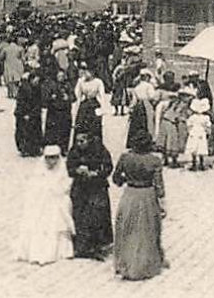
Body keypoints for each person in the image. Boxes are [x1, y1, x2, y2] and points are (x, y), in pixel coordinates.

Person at [112, 120, 167, 281]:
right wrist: (162, 203)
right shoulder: (154, 160)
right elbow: (159, 186)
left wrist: (125, 179)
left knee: (127, 229)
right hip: (147, 195)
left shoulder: (125, 158)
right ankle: (146, 264)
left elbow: (116, 179)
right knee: (148, 230)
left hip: (130, 194)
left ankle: (126, 263)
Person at [15, 144, 75, 265]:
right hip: (41, 204)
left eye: (54, 158)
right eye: (48, 158)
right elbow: (33, 187)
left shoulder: (62, 170)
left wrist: (57, 191)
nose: (51, 161)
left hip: (57, 202)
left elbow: (66, 186)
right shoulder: (39, 171)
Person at [67, 130, 114, 260]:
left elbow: (108, 167)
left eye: (82, 141)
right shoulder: (74, 151)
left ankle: (98, 245)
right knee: (80, 216)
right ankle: (82, 246)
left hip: (97, 188)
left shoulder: (100, 150)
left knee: (97, 216)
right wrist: (77, 171)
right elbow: (69, 168)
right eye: (77, 141)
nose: (79, 144)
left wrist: (97, 173)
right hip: (80, 189)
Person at [42, 70, 74, 154]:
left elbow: (73, 97)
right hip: (54, 112)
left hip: (65, 111)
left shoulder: (68, 85)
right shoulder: (51, 85)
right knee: (53, 131)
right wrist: (51, 97)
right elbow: (45, 99)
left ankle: (64, 148)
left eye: (62, 76)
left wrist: (68, 97)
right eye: (59, 76)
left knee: (65, 130)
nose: (61, 78)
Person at [14, 71, 44, 157]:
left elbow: (38, 102)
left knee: (35, 131)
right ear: (31, 80)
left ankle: (34, 149)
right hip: (23, 113)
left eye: (38, 81)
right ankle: (24, 149)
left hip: (34, 113)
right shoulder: (24, 89)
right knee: (23, 131)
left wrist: (34, 113)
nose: (36, 83)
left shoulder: (38, 88)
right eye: (35, 81)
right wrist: (25, 114)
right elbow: (21, 102)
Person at [184, 97, 212, 172]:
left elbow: (188, 125)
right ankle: (201, 163)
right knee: (201, 147)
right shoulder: (206, 117)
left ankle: (194, 164)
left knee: (193, 148)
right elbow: (208, 126)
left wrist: (189, 131)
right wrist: (208, 132)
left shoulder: (192, 117)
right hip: (201, 132)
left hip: (194, 131)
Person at [2, 35, 25, 101]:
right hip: (18, 65)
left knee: (9, 80)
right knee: (17, 80)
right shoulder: (20, 48)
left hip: (8, 64)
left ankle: (11, 93)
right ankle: (16, 93)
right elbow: (23, 58)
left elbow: (1, 57)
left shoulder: (5, 49)